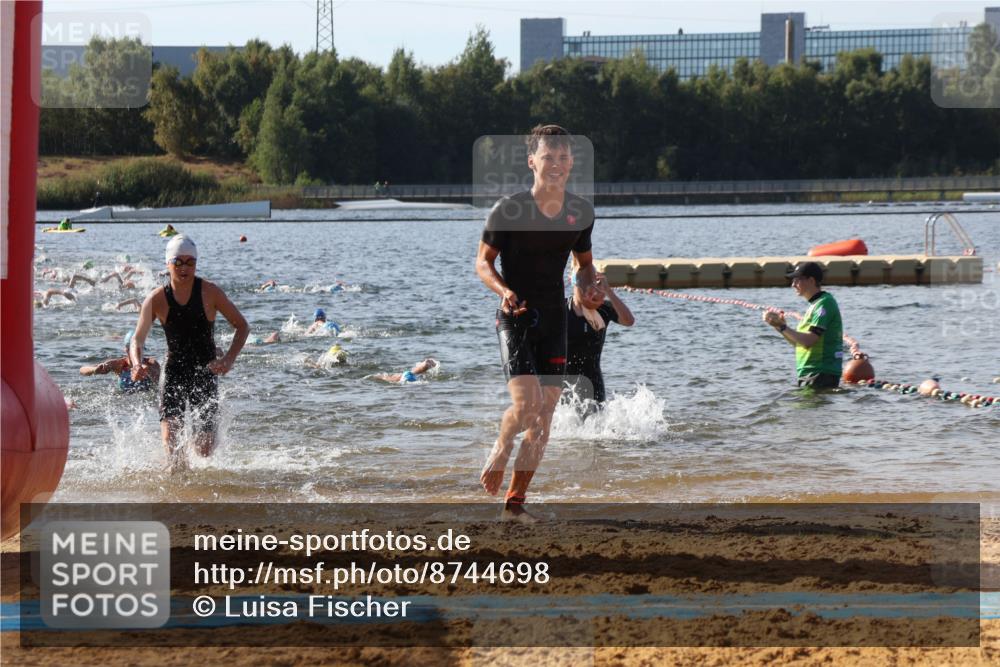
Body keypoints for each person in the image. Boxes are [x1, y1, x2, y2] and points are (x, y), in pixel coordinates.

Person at [475, 123, 596, 519]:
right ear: (532, 162)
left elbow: (584, 266)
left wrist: (586, 289)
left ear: (572, 162)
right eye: (548, 157)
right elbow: (482, 263)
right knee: (527, 406)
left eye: (563, 157)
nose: (557, 164)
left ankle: (515, 502)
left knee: (544, 417)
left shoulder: (580, 212)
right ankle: (501, 445)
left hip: (555, 319)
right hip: (516, 316)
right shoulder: (509, 210)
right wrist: (504, 291)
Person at [130, 235, 249, 470]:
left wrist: (228, 360)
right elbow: (138, 338)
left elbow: (242, 326)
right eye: (178, 262)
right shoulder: (156, 299)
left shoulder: (210, 292)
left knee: (204, 449)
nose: (184, 268)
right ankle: (177, 486)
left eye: (190, 262)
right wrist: (136, 363)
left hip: (205, 371)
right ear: (168, 264)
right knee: (171, 443)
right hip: (173, 371)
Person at [762, 261, 844, 389]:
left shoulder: (824, 303)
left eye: (797, 280)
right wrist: (778, 326)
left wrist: (784, 328)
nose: (793, 284)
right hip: (810, 373)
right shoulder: (815, 305)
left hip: (820, 373)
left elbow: (809, 341)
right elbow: (798, 343)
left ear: (811, 280)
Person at [565, 270, 635, 416]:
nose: (589, 294)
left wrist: (609, 291)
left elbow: (629, 321)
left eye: (592, 288)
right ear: (574, 286)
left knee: (596, 431)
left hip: (593, 379)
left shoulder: (604, 309)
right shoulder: (562, 309)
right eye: (584, 288)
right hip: (564, 381)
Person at [80, 331, 160, 393]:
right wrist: (95, 370)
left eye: (140, 349)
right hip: (125, 397)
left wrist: (148, 371)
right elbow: (82, 370)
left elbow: (160, 383)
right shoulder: (120, 365)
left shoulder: (151, 363)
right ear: (126, 350)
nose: (137, 353)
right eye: (134, 350)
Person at [374, 358, 438, 384]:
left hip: (408, 378)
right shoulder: (400, 376)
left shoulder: (393, 377)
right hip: (410, 378)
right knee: (415, 372)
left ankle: (425, 364)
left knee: (385, 378)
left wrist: (378, 377)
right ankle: (425, 364)